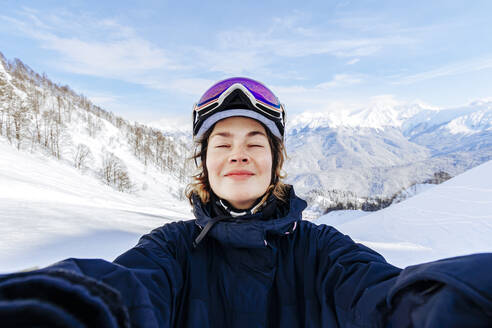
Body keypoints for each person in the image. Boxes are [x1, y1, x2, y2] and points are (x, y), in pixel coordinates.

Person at [1, 77, 491, 327]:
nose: (239, 153)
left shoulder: (321, 251)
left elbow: (386, 297)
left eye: (256, 142)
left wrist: (457, 303)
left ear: (276, 161)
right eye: (222, 143)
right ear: (205, 165)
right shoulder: (172, 249)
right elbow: (120, 290)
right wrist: (51, 308)